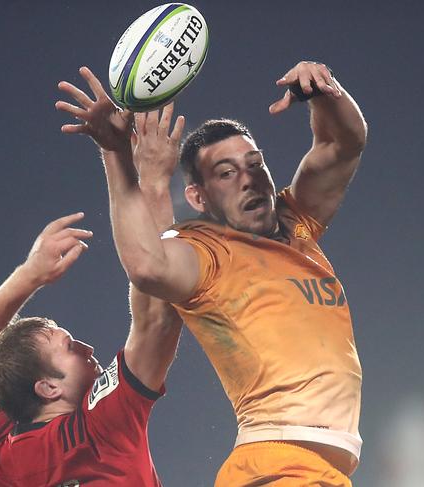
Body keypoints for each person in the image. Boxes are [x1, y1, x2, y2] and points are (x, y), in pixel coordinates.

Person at [56, 62, 367, 486]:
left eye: (254, 164)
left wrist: (324, 91)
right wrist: (118, 154)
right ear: (198, 198)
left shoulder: (297, 224)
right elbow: (147, 265)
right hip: (276, 467)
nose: (248, 180)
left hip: (313, 470)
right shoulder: (207, 252)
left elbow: (344, 142)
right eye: (226, 173)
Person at [0, 107, 185, 487]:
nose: (87, 348)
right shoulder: (101, 426)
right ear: (48, 388)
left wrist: (31, 273)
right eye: (69, 347)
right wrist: (145, 177)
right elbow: (158, 316)